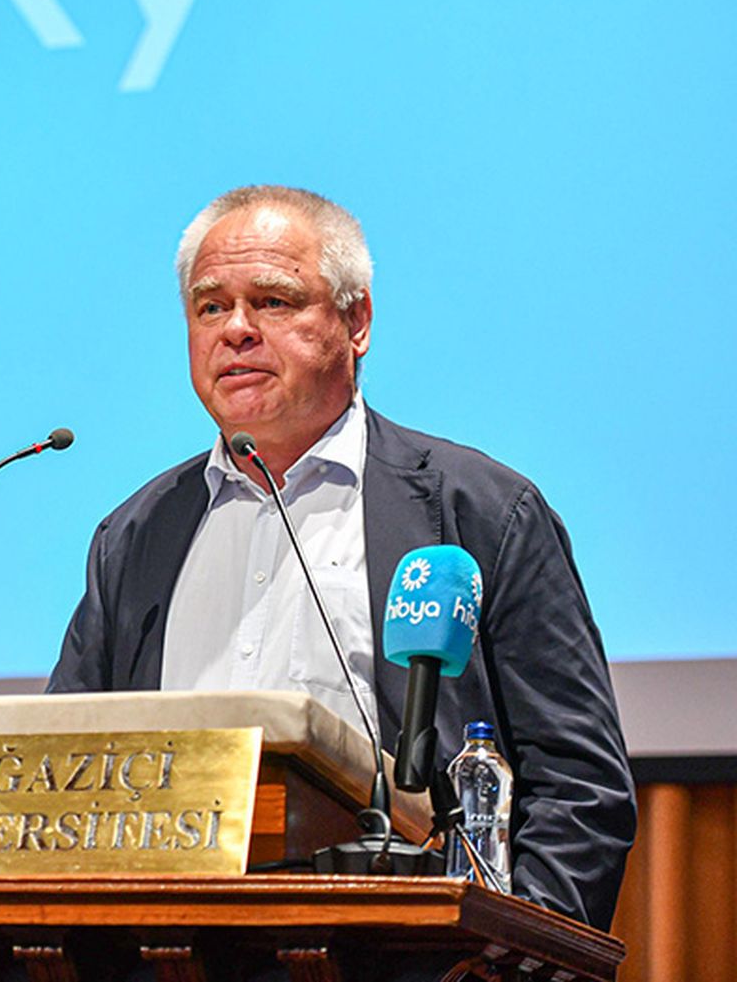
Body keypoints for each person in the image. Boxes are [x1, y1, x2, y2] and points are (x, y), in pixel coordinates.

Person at [47, 185, 635, 929]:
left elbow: (580, 785)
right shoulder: (136, 535)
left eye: (273, 301)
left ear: (355, 321)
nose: (236, 330)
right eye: (209, 306)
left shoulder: (480, 510)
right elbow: (63, 776)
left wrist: (502, 959)